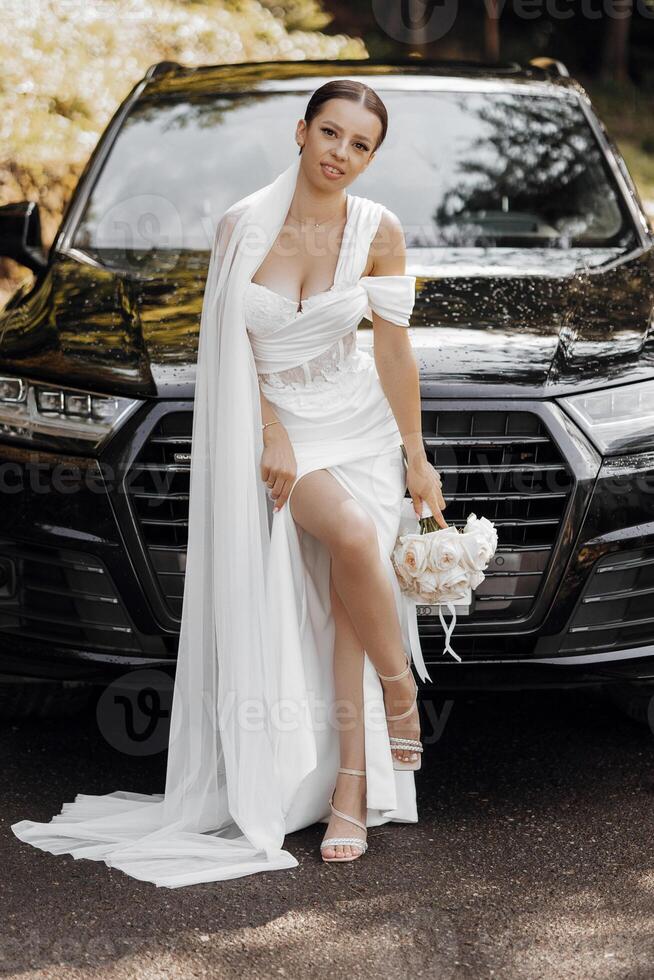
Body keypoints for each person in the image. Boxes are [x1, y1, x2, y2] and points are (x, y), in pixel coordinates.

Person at [11, 79, 446, 885]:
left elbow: (392, 351)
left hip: (361, 426)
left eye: (360, 144)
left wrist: (417, 456)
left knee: (352, 588)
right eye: (330, 132)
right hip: (281, 428)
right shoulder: (242, 227)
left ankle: (351, 791)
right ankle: (401, 694)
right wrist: (271, 433)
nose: (340, 154)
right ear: (301, 130)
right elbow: (229, 350)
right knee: (351, 535)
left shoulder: (379, 230)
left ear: (372, 156)